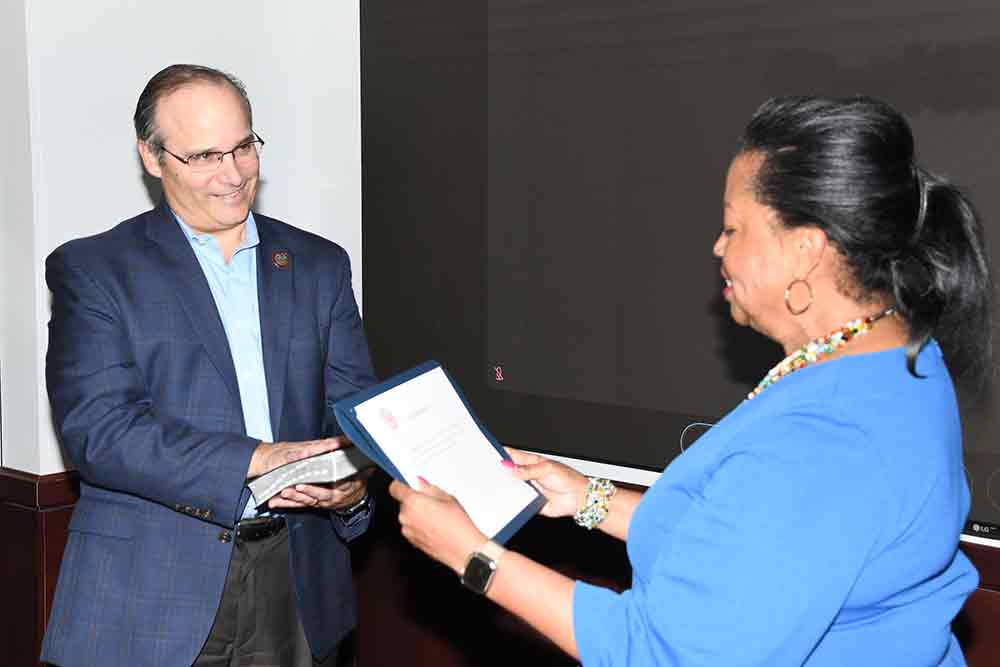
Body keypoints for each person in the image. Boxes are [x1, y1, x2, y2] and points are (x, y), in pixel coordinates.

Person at [389, 96, 991, 666]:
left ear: (807, 248)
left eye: (733, 228)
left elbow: (661, 653)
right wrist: (587, 499)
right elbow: (748, 541)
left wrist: (473, 556)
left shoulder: (826, 442)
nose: (717, 247)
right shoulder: (892, 350)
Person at [41, 64, 377, 667]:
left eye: (243, 146)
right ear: (151, 156)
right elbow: (100, 431)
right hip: (147, 593)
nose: (233, 174)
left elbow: (354, 415)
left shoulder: (318, 265)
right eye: (203, 156)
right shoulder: (95, 271)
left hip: (296, 583)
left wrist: (352, 487)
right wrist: (257, 459)